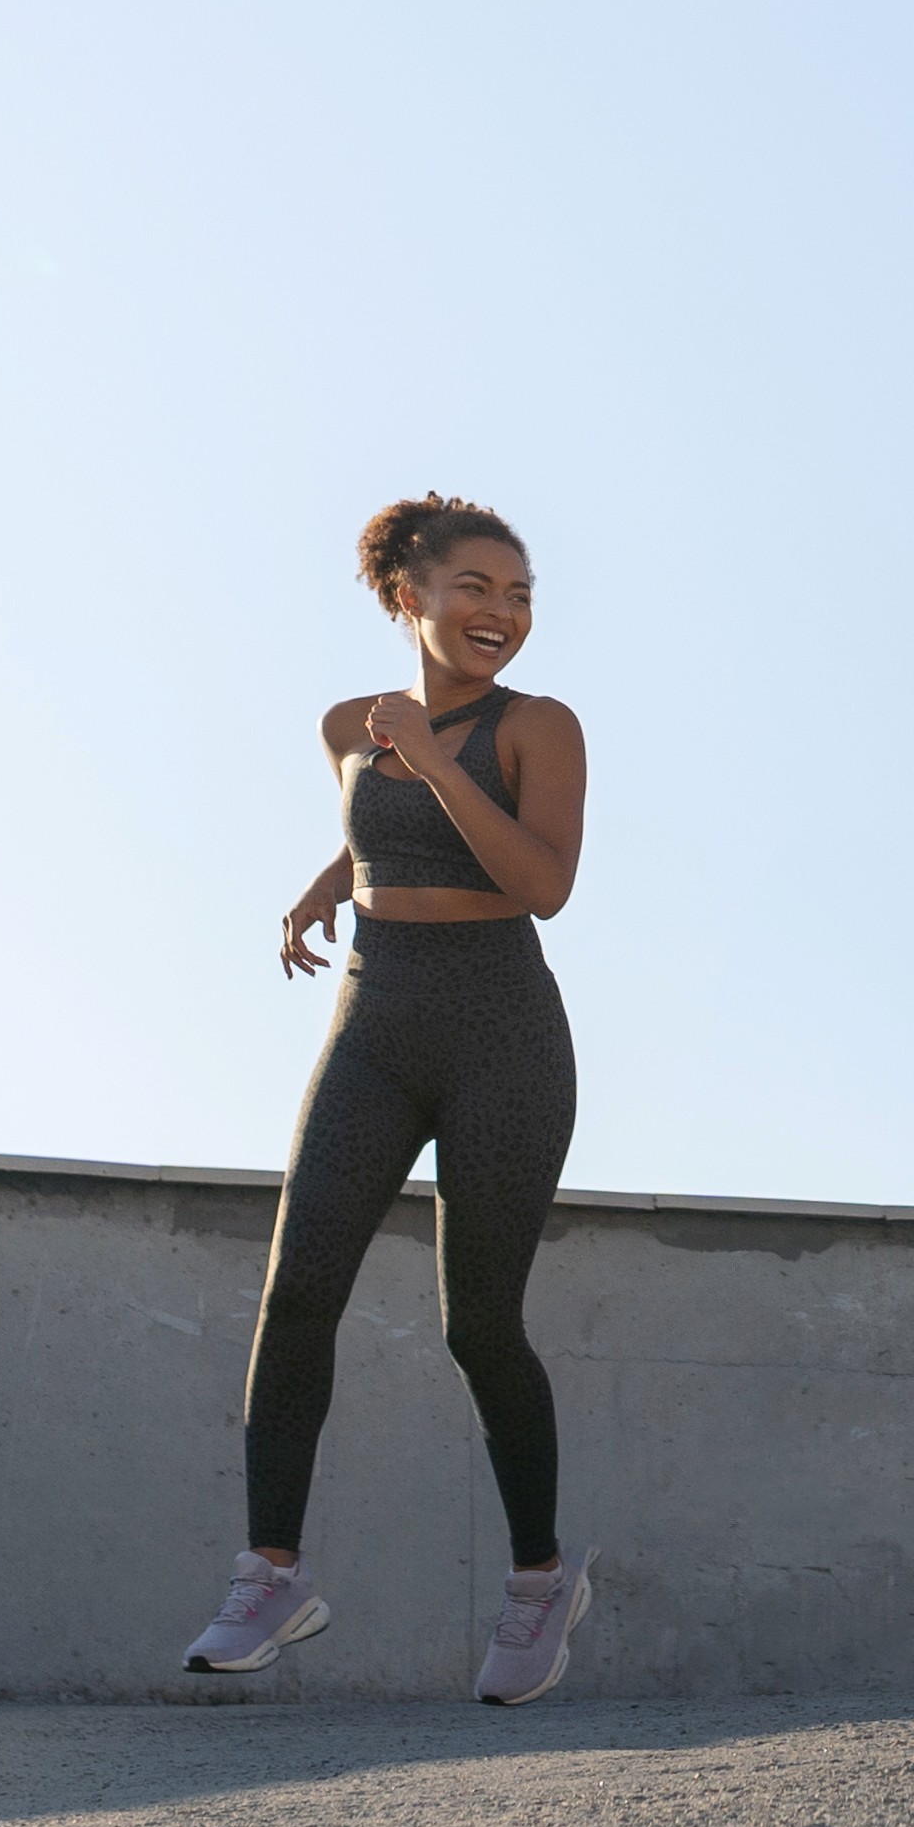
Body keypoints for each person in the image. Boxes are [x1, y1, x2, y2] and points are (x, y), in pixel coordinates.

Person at [184, 495, 598, 1705]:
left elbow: (542, 880)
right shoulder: (348, 727)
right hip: (375, 1016)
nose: (502, 613)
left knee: (479, 1322)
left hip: (503, 1034)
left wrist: (426, 756)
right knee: (297, 1285)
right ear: (406, 593)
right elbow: (384, 822)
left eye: (519, 595)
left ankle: (538, 1582)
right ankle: (270, 1570)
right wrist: (327, 880)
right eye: (476, 586)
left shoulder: (541, 726)